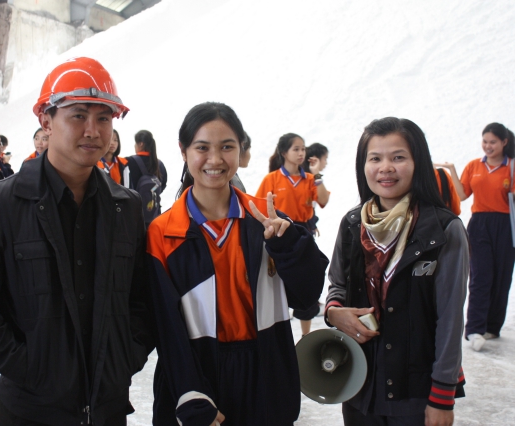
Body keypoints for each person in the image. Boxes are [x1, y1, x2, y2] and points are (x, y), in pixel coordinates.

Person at [0, 57, 154, 426]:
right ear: (46, 120)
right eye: (78, 116)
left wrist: (124, 359)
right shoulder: (1, 204)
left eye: (103, 118)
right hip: (29, 410)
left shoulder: (127, 207)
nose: (93, 131)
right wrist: (31, 369)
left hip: (106, 409)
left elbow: (142, 300)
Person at [147, 102, 328, 426]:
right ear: (183, 151)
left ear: (241, 150)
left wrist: (288, 245)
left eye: (227, 147)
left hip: (266, 378)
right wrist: (190, 393)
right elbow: (165, 328)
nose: (215, 159)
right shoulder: (163, 233)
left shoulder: (267, 220)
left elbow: (307, 297)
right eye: (202, 147)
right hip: (199, 378)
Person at [325, 117, 468, 426]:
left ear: (418, 163)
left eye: (398, 157)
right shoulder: (352, 224)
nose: (385, 168)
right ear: (363, 166)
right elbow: (336, 284)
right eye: (375, 158)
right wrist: (334, 312)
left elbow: (450, 319)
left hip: (416, 393)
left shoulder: (444, 230)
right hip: (359, 388)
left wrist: (442, 396)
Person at [436, 122, 515, 351]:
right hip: (480, 224)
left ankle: (493, 327)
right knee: (481, 276)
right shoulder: (474, 166)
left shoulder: (511, 167)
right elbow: (462, 195)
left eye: (493, 142)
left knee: (502, 276)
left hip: (506, 224)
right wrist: (452, 170)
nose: (488, 146)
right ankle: (474, 329)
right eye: (485, 141)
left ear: (504, 142)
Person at [256, 134, 330, 337]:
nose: (301, 153)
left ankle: (305, 337)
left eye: (303, 149)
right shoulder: (272, 179)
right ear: (284, 152)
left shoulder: (310, 179)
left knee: (305, 285)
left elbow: (323, 200)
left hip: (303, 236)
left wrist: (317, 175)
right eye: (296, 149)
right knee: (277, 287)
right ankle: (279, 336)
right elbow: (260, 208)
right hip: (279, 237)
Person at [126, 130, 167, 225]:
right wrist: (149, 195)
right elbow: (163, 185)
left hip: (134, 215)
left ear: (141, 144)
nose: (134, 146)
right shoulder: (159, 163)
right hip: (154, 213)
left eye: (135, 143)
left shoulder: (129, 162)